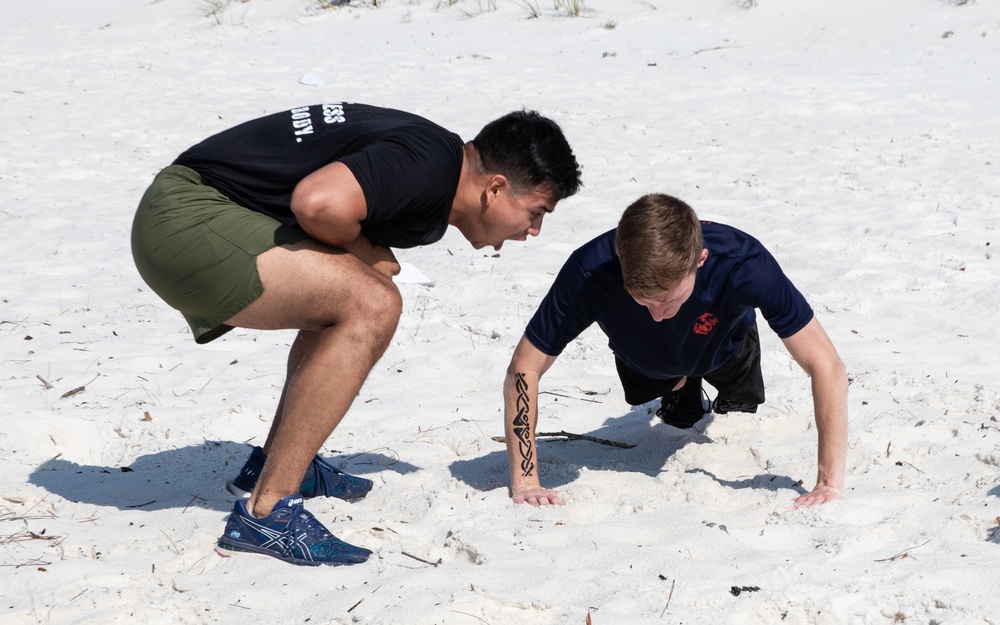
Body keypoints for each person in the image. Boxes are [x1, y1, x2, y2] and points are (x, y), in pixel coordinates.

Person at [131, 102, 581, 566]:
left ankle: (277, 466)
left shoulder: (437, 160)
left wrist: (365, 259)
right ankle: (267, 512)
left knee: (353, 293)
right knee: (372, 302)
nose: (535, 230)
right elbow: (318, 203)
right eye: (535, 211)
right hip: (184, 218)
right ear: (496, 188)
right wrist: (369, 252)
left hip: (196, 209)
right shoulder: (428, 166)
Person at [502, 193, 847, 509]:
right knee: (663, 401)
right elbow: (524, 368)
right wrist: (526, 481)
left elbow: (826, 365)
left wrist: (828, 483)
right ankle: (682, 387)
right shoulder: (589, 271)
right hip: (645, 358)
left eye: (667, 302)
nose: (656, 314)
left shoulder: (744, 263)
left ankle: (712, 373)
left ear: (700, 259)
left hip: (722, 344)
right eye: (643, 301)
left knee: (743, 401)